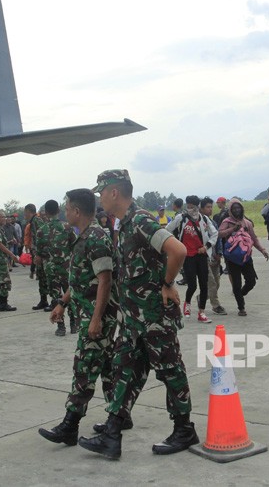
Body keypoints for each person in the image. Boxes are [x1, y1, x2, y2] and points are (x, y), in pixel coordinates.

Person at [78, 169, 198, 458]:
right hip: (134, 320)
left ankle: (184, 429)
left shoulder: (141, 220)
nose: (99, 199)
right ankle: (112, 433)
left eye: (101, 193)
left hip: (154, 317)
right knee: (124, 370)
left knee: (170, 371)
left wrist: (168, 284)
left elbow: (178, 250)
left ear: (114, 192)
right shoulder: (124, 224)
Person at [39, 189, 118, 446]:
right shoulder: (83, 236)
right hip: (89, 311)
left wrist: (96, 319)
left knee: (84, 368)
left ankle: (69, 426)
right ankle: (120, 415)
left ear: (76, 210)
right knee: (106, 367)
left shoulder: (95, 237)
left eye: (67, 207)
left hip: (98, 315)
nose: (64, 212)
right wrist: (62, 302)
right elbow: (82, 278)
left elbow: (105, 281)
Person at [166, 195, 218, 323]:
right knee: (192, 285)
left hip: (201, 255)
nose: (190, 209)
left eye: (192, 206)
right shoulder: (181, 218)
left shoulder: (204, 219)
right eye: (188, 206)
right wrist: (174, 246)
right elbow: (167, 229)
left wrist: (206, 247)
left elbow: (215, 233)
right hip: (188, 256)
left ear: (197, 206)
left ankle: (202, 313)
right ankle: (187, 303)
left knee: (204, 285)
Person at [218, 197, 269, 316]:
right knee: (236, 283)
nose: (237, 210)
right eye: (234, 208)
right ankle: (241, 307)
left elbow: (254, 238)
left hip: (246, 257)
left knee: (251, 281)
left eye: (238, 207)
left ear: (242, 209)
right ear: (230, 210)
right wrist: (232, 229)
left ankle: (240, 294)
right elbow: (219, 234)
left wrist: (262, 250)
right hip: (232, 258)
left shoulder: (247, 223)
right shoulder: (227, 221)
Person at [35, 199, 77, 335]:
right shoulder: (67, 227)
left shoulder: (41, 231)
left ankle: (61, 326)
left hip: (51, 270)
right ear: (59, 211)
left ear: (45, 213)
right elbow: (76, 247)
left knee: (55, 297)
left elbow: (39, 255)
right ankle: (74, 323)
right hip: (66, 267)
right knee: (69, 294)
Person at [200, 196, 228, 315]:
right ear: (201, 208)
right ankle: (216, 305)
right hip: (204, 257)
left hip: (214, 256)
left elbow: (218, 239)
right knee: (211, 282)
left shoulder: (213, 223)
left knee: (216, 282)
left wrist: (219, 253)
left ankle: (201, 298)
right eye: (207, 207)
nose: (210, 209)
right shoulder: (198, 223)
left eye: (211, 207)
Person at [0, 210, 20, 310]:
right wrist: (11, 254)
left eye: (5, 216)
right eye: (2, 217)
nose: (5, 218)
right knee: (4, 280)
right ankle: (3, 304)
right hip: (0, 258)